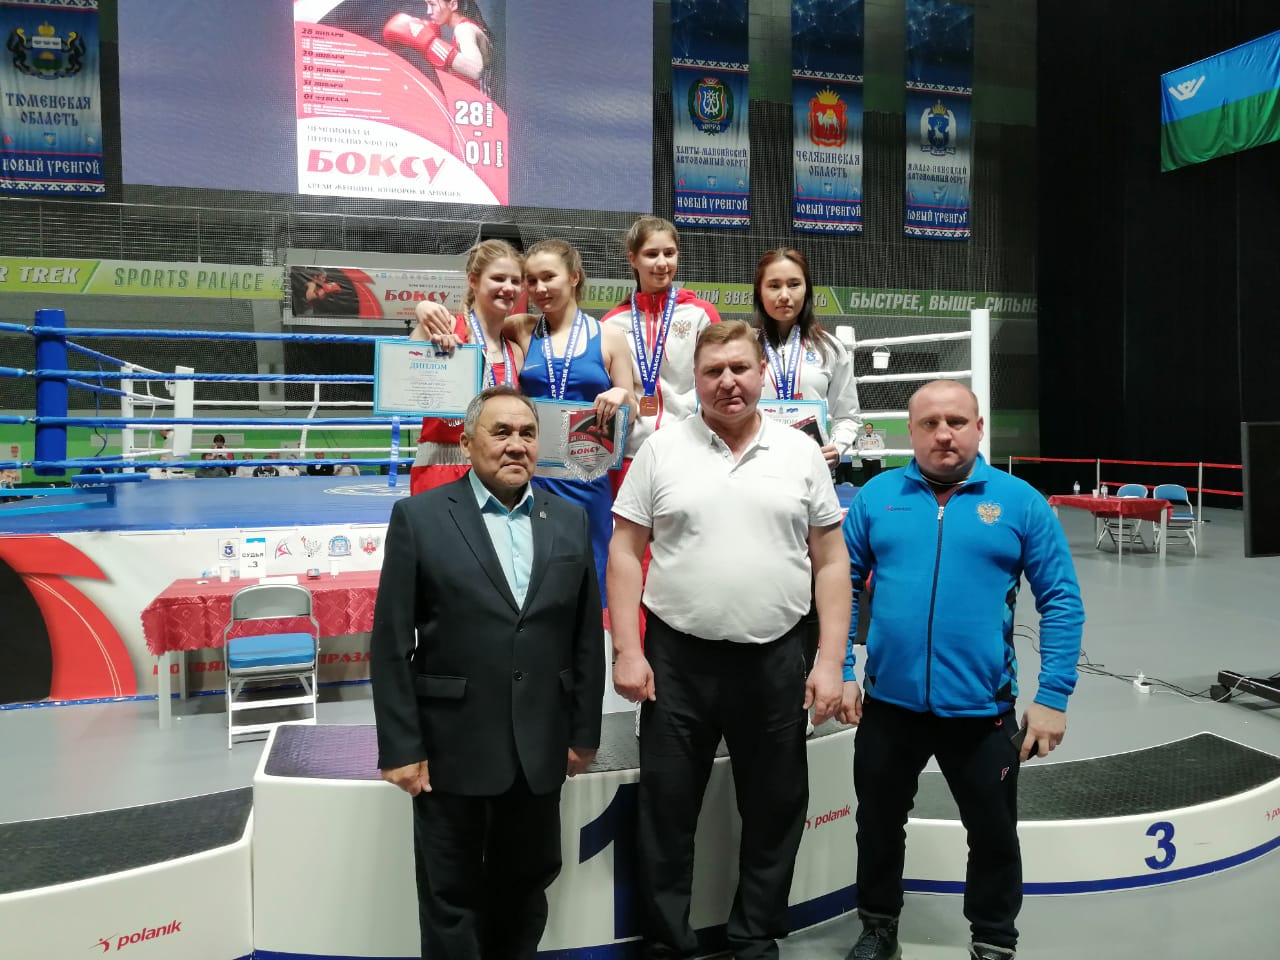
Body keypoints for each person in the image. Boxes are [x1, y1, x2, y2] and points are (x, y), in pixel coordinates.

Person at [608, 320, 850, 960]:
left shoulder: (800, 453)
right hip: (676, 660)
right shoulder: (661, 450)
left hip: (777, 658)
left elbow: (831, 562)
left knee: (776, 807)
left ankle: (754, 938)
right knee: (666, 808)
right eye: (713, 371)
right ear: (696, 378)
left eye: (740, 368)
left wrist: (830, 660)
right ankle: (667, 943)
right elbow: (625, 552)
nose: (728, 382)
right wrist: (627, 650)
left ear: (762, 373)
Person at [839, 379, 1085, 960]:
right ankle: (878, 927)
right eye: (929, 423)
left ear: (978, 428)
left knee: (994, 833)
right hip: (889, 705)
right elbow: (840, 585)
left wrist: (1053, 696)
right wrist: (843, 667)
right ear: (910, 431)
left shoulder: (1020, 502)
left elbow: (1061, 600)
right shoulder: (877, 497)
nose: (943, 434)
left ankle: (993, 940)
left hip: (983, 709)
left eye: (956, 421)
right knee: (878, 825)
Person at [371, 384, 605, 960]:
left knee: (526, 886)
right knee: (450, 896)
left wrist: (583, 732)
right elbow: (391, 642)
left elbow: (583, 639)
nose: (516, 445)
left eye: (527, 433)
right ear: (467, 442)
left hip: (540, 746)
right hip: (450, 746)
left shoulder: (569, 520)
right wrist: (400, 746)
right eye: (500, 432)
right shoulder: (420, 518)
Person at [512, 239, 635, 604]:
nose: (539, 288)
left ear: (574, 277)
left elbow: (634, 406)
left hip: (588, 473)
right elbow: (474, 323)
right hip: (533, 475)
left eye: (548, 277)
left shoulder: (609, 336)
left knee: (590, 575)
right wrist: (425, 308)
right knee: (533, 576)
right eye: (532, 280)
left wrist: (621, 394)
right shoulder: (521, 328)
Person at [602, 216, 720, 493]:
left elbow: (717, 380)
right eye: (651, 254)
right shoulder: (612, 323)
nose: (662, 263)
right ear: (633, 259)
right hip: (631, 453)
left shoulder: (701, 314)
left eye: (669, 253)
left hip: (691, 450)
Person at [410, 239, 526, 495]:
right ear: (473, 280)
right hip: (441, 467)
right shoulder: (444, 327)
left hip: (496, 471)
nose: (508, 287)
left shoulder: (515, 352)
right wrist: (422, 312)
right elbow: (403, 378)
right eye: (498, 278)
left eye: (515, 281)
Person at [754, 249, 861, 468]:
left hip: (810, 465)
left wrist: (837, 448)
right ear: (760, 292)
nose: (785, 295)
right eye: (774, 286)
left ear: (807, 290)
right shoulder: (743, 346)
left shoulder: (829, 348)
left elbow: (848, 416)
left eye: (794, 284)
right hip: (755, 463)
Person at [383, 0, 501, 103]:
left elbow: (475, 70)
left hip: (477, 109)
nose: (429, 11)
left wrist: (431, 45)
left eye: (433, 4)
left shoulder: (464, 29)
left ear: (453, 4)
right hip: (468, 107)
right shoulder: (467, 27)